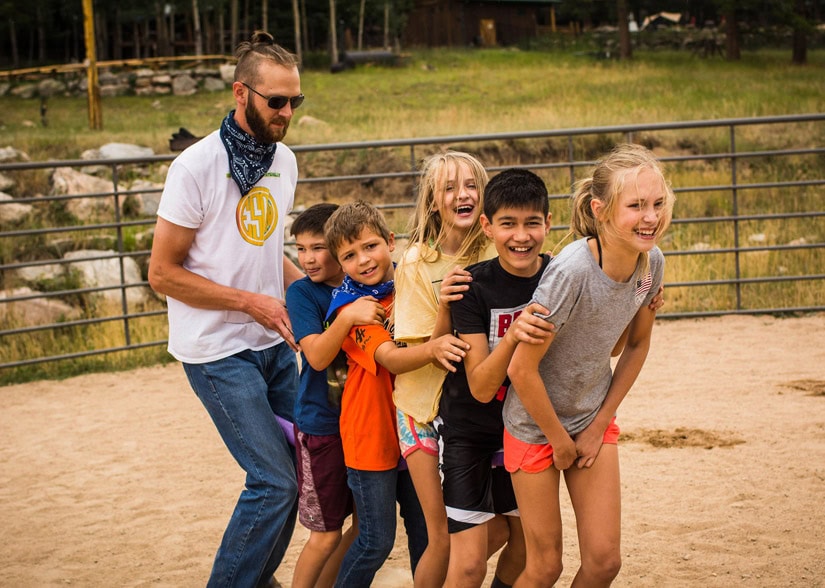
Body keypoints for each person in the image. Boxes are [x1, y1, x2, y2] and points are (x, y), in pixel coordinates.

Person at [148, 31, 305, 588]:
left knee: (305, 471)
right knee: (274, 481)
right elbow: (161, 274)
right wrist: (249, 303)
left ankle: (255, 578)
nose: (287, 112)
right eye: (276, 101)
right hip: (217, 351)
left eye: (296, 102)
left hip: (273, 345)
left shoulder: (284, 161)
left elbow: (264, 253)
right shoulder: (195, 167)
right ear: (242, 94)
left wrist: (313, 294)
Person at [503, 144, 676, 587]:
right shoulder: (570, 273)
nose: (651, 216)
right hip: (534, 426)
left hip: (591, 416)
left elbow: (633, 346)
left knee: (604, 562)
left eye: (658, 204)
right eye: (635, 205)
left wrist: (600, 423)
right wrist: (559, 440)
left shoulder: (650, 264)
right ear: (600, 210)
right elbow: (521, 370)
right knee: (545, 567)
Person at [323, 200, 470, 587]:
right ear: (340, 266)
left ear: (391, 242)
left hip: (414, 426)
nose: (364, 260)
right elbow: (389, 358)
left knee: (426, 531)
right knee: (375, 539)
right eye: (350, 256)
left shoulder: (408, 284)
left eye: (370, 246)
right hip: (371, 435)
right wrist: (433, 349)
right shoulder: (352, 310)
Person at [437, 168, 560, 588]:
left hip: (526, 431)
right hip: (470, 430)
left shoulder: (561, 278)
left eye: (531, 223)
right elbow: (482, 386)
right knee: (469, 564)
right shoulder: (472, 287)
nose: (520, 236)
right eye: (508, 223)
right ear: (488, 226)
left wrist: (644, 301)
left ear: (548, 223)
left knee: (526, 551)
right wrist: (515, 333)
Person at [393, 150, 499, 587]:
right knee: (440, 536)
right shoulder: (417, 261)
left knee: (491, 531)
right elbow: (429, 346)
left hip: (476, 411)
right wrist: (448, 305)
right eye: (450, 187)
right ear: (433, 201)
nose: (463, 194)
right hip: (421, 409)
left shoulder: (498, 248)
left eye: (472, 185)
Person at [285, 204, 387, 588]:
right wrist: (346, 317)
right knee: (326, 533)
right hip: (323, 426)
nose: (308, 258)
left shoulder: (370, 284)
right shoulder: (302, 293)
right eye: (301, 248)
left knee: (366, 528)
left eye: (318, 248)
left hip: (363, 424)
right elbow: (316, 355)